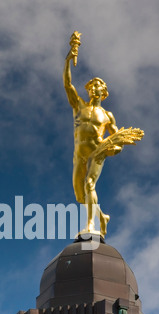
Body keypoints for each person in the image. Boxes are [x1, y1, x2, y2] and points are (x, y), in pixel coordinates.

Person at [63, 44, 123, 238]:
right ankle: (102, 217)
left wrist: (114, 148)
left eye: (96, 86)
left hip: (97, 152)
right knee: (80, 195)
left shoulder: (107, 115)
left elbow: (116, 138)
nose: (92, 89)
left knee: (90, 185)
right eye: (90, 87)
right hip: (78, 154)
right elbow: (68, 86)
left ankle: (91, 225)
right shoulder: (79, 107)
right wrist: (67, 61)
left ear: (103, 91)